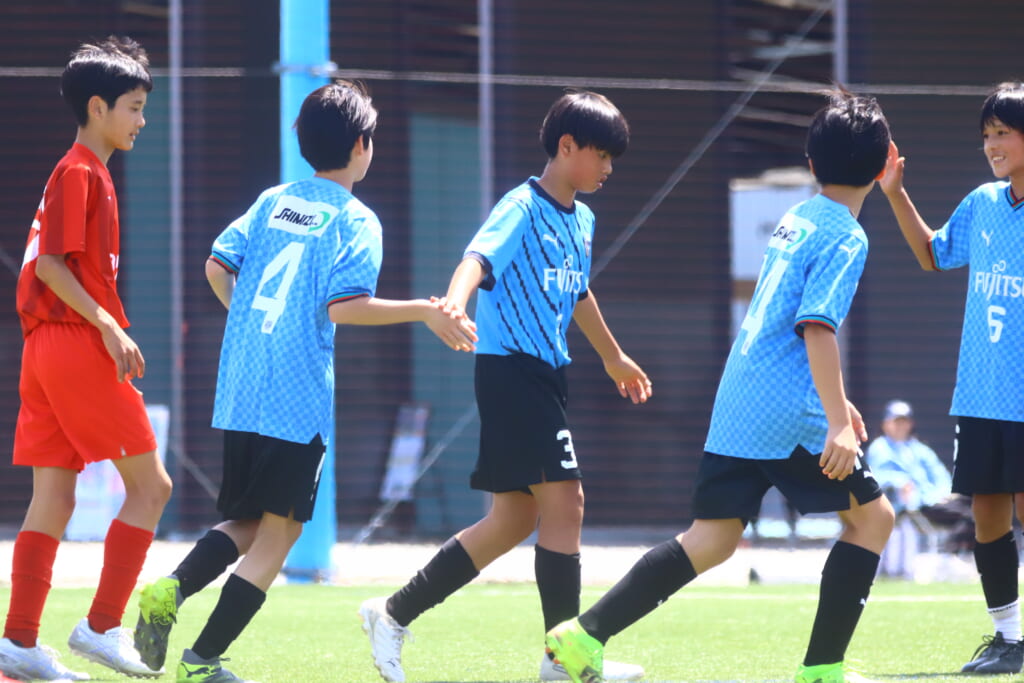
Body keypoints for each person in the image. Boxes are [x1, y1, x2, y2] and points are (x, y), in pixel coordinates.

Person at [129, 80, 477, 683]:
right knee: (283, 529)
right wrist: (423, 310)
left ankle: (169, 589)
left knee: (249, 520)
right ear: (362, 145)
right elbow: (345, 306)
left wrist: (250, 321)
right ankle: (201, 661)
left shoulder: (274, 200)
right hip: (295, 395)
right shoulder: (357, 220)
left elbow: (216, 265)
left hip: (242, 383)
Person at [545, 89, 896, 683]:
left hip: (740, 398)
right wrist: (836, 420)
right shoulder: (847, 235)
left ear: (812, 163)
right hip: (786, 411)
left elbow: (786, 324)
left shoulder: (798, 218)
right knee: (873, 520)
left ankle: (581, 636)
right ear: (886, 162)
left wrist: (838, 403)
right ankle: (822, 673)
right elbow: (816, 326)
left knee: (711, 538)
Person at [358, 90, 652, 683]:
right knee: (567, 501)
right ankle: (564, 658)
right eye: (601, 155)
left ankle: (392, 613)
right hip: (511, 372)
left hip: (546, 376)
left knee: (514, 519)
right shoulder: (521, 206)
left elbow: (579, 292)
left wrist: (613, 356)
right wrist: (454, 303)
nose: (608, 168)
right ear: (566, 146)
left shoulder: (583, 219)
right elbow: (477, 260)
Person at [0, 36, 171, 682]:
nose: (141, 120)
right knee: (152, 487)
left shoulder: (84, 171)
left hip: (43, 347)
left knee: (53, 496)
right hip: (73, 341)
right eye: (134, 107)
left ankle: (18, 642)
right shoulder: (81, 171)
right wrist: (108, 326)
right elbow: (50, 264)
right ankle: (101, 626)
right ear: (97, 107)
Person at [880, 81, 1024, 674]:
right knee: (988, 516)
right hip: (981, 395)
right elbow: (933, 254)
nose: (992, 145)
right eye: (987, 135)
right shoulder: (983, 202)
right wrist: (895, 192)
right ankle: (1009, 641)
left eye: (1004, 133)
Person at [865, 400, 952, 580]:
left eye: (904, 421)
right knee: (900, 522)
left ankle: (923, 571)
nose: (900, 426)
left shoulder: (920, 449)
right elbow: (875, 476)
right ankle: (892, 571)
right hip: (892, 506)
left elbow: (941, 476)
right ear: (885, 424)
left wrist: (941, 495)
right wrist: (900, 483)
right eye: (896, 421)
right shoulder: (879, 447)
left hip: (924, 504)